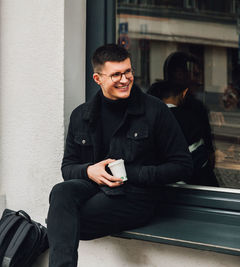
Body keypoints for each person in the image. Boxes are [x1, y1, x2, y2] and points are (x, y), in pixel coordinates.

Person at [46, 44, 193, 267]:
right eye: (116, 74)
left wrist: (132, 174)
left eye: (128, 72)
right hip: (95, 188)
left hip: (136, 195)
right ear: (98, 78)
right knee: (61, 192)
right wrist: (89, 171)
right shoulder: (81, 115)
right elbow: (68, 167)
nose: (125, 79)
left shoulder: (155, 111)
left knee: (63, 221)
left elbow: (182, 166)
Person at [148, 80, 219, 186]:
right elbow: (201, 161)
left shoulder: (148, 120)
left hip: (156, 187)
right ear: (183, 94)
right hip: (192, 188)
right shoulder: (190, 119)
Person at [163, 51, 216, 170]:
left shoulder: (198, 108)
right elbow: (209, 157)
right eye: (196, 75)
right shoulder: (197, 109)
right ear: (179, 74)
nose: (199, 81)